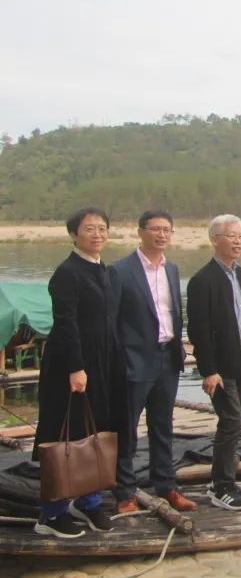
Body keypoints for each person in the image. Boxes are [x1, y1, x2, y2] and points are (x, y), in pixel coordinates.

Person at [33, 207, 126, 537]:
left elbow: (113, 322)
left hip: (103, 365)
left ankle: (89, 501)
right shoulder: (67, 273)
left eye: (102, 228)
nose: (97, 234)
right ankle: (52, 512)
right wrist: (76, 367)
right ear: (74, 234)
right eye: (89, 228)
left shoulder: (109, 272)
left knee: (96, 430)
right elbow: (65, 323)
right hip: (69, 367)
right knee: (63, 435)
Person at [114, 210, 196, 515]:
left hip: (167, 358)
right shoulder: (120, 271)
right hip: (134, 360)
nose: (162, 235)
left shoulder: (171, 269)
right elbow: (113, 320)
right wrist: (119, 359)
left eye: (167, 230)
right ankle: (125, 491)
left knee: (163, 425)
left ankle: (166, 485)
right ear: (140, 232)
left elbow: (173, 313)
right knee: (127, 427)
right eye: (155, 229)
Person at [187, 214, 241, 510]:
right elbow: (198, 331)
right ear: (215, 240)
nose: (238, 242)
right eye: (231, 236)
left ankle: (227, 479)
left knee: (235, 423)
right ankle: (220, 485)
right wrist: (209, 370)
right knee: (231, 422)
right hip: (220, 365)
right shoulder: (202, 280)